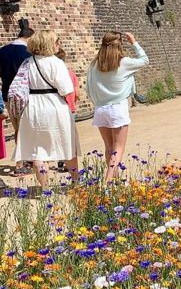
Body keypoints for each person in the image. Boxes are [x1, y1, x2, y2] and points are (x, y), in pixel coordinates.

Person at [8, 31, 79, 192]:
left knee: (38, 151)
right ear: (49, 44)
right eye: (56, 41)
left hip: (32, 108)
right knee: (67, 145)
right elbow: (67, 89)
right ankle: (76, 182)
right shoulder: (56, 63)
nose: (58, 44)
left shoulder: (27, 63)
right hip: (54, 106)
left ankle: (45, 188)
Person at [86, 32, 146, 179]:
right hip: (117, 107)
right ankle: (108, 180)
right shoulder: (123, 62)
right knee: (118, 148)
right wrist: (134, 42)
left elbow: (88, 87)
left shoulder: (94, 64)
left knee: (109, 147)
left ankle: (115, 179)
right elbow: (144, 60)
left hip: (100, 108)